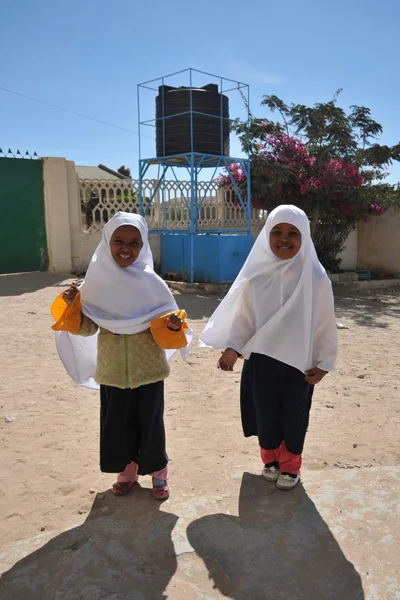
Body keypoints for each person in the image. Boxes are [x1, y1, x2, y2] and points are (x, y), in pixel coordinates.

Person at [51, 212, 192, 500]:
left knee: (151, 426)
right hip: (113, 373)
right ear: (106, 242)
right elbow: (87, 327)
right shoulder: (95, 285)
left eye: (134, 243)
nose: (125, 248)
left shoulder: (153, 284)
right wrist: (73, 306)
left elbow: (167, 328)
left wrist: (173, 325)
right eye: (118, 241)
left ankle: (159, 475)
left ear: (143, 247)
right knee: (118, 427)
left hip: (148, 373)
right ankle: (127, 473)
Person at [199, 205, 338, 490]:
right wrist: (233, 349)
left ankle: (291, 467)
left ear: (305, 238)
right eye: (276, 232)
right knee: (265, 413)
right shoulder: (258, 276)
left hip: (299, 363)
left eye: (292, 233)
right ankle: (271, 462)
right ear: (266, 235)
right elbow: (245, 319)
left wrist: (324, 362)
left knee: (293, 414)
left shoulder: (315, 277)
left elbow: (324, 322)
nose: (284, 238)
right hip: (261, 361)